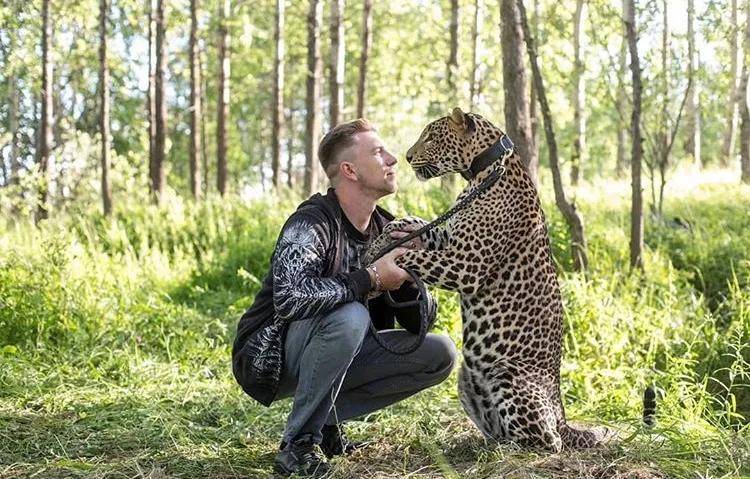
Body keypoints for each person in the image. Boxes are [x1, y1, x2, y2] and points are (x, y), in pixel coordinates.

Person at [231, 119, 457, 476]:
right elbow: (289, 298)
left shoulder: (388, 227)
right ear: (349, 169)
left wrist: (410, 278)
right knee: (350, 315)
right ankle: (297, 446)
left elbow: (419, 325)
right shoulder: (311, 223)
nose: (393, 159)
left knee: (439, 353)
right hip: (271, 358)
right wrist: (370, 278)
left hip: (342, 348)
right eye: (378, 152)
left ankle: (324, 427)